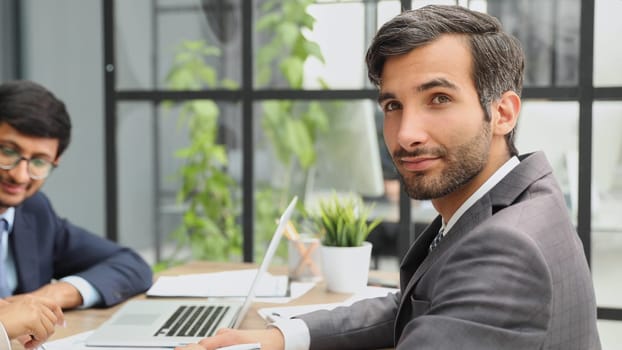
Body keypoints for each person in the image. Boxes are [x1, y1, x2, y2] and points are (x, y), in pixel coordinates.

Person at [177, 4, 601, 350]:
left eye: (439, 98)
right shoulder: (511, 199)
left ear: (503, 113)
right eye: (393, 105)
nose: (406, 134)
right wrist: (281, 336)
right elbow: (413, 304)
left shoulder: (508, 246)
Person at [0, 80, 153, 347]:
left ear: (54, 162)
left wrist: (50, 296)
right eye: (7, 152)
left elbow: (130, 265)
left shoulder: (34, 212)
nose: (20, 174)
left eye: (38, 162)